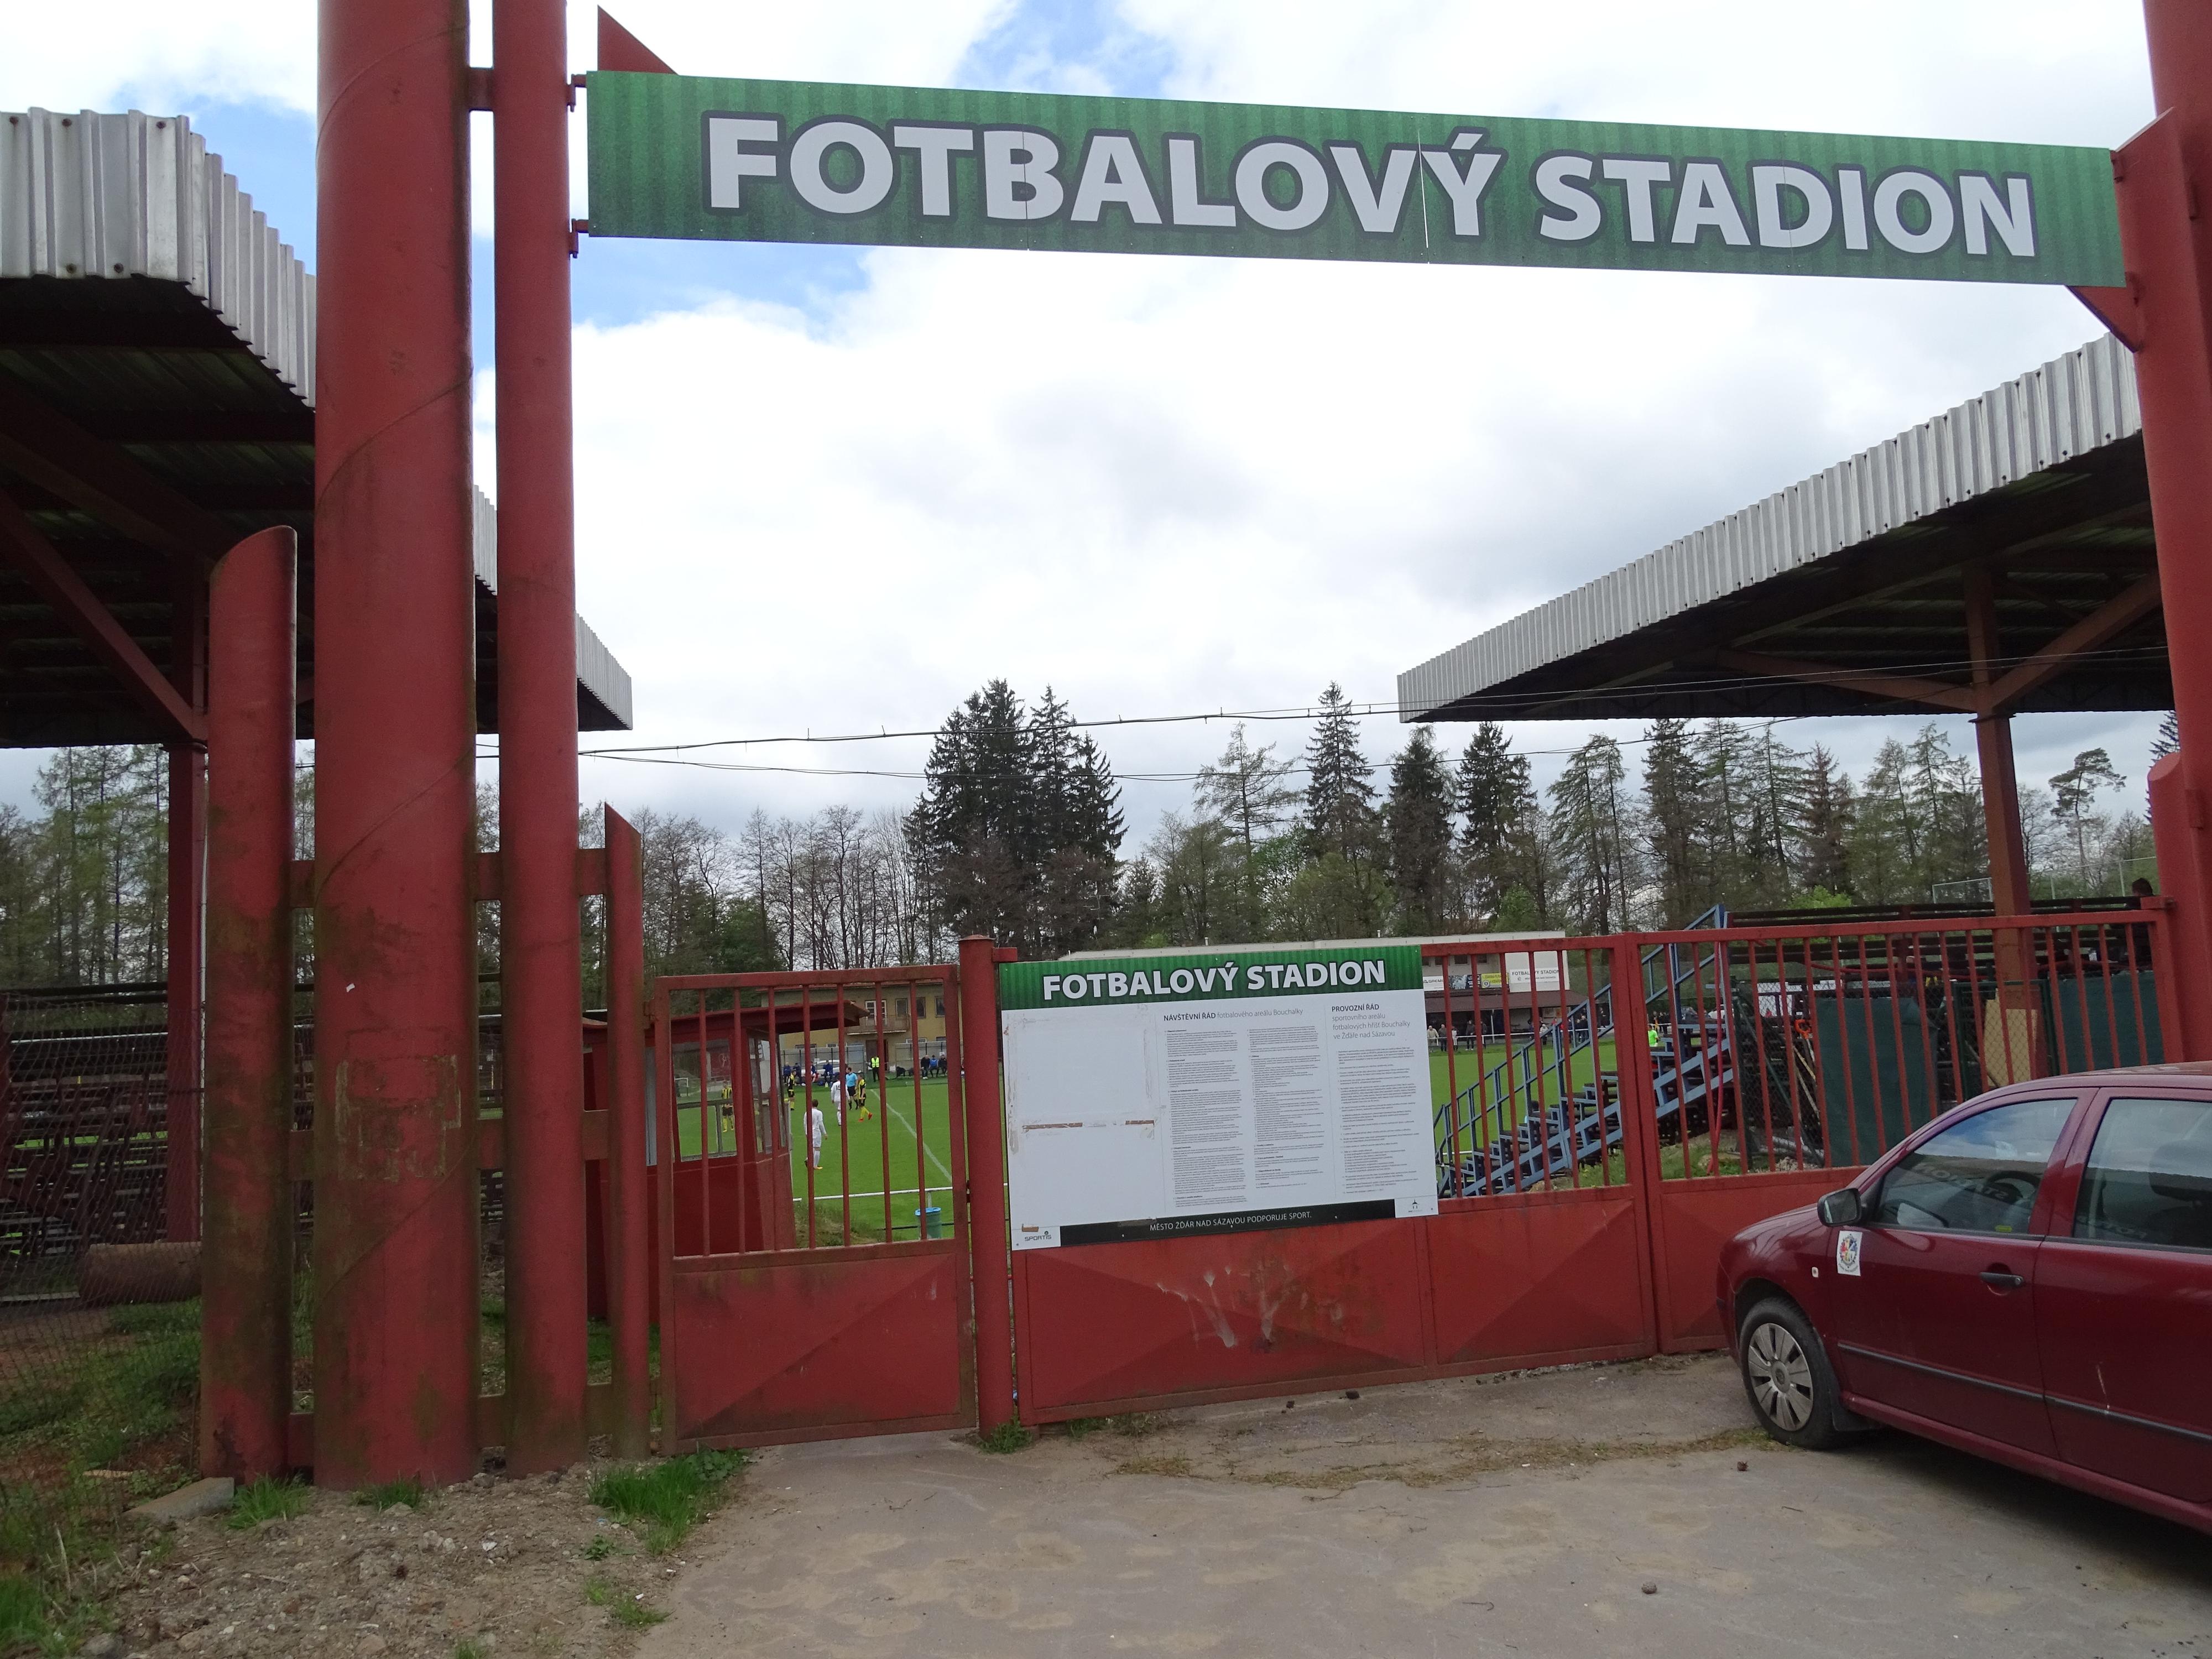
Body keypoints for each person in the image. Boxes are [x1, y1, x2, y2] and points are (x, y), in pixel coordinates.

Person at [807, 1099, 825, 1171]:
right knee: (817, 1148)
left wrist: (806, 1132)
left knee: (813, 1147)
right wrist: (824, 1133)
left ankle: (808, 1159)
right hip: (816, 1132)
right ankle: (815, 1165)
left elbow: (805, 1123)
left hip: (809, 1131)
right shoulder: (819, 1113)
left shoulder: (807, 1113)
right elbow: (821, 1123)